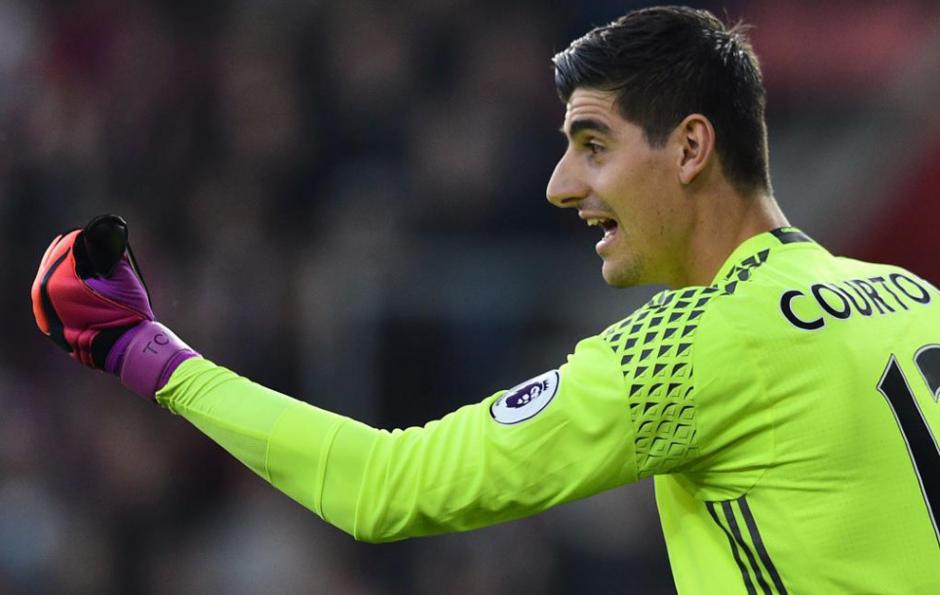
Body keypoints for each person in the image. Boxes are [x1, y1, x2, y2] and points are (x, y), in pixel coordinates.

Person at [30, 6, 940, 594]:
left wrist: (150, 355)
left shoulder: (693, 346)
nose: (559, 184)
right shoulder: (913, 299)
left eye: (593, 144)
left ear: (691, 148)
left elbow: (385, 488)